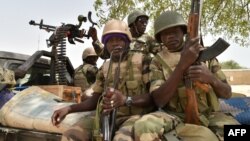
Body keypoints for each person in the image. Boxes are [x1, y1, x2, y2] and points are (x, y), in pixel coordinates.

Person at [133, 11, 239, 141]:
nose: (171, 36)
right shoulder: (157, 61)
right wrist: (182, 65)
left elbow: (227, 93)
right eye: (166, 33)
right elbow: (159, 100)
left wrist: (210, 78)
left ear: (183, 32)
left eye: (175, 31)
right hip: (174, 116)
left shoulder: (206, 54)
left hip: (210, 115)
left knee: (240, 133)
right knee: (142, 126)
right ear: (160, 38)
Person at [51, 19, 155, 141]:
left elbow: (154, 97)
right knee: (71, 135)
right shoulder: (104, 68)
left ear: (127, 41)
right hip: (107, 117)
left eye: (119, 39)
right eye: (110, 40)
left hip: (134, 117)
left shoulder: (143, 61)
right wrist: (68, 109)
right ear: (105, 45)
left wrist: (126, 100)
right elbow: (93, 101)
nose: (115, 43)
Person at [88, 10, 161, 60]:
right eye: (141, 22)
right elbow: (104, 54)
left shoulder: (149, 39)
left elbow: (161, 56)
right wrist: (95, 39)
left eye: (146, 23)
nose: (144, 25)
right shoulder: (121, 38)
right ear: (133, 23)